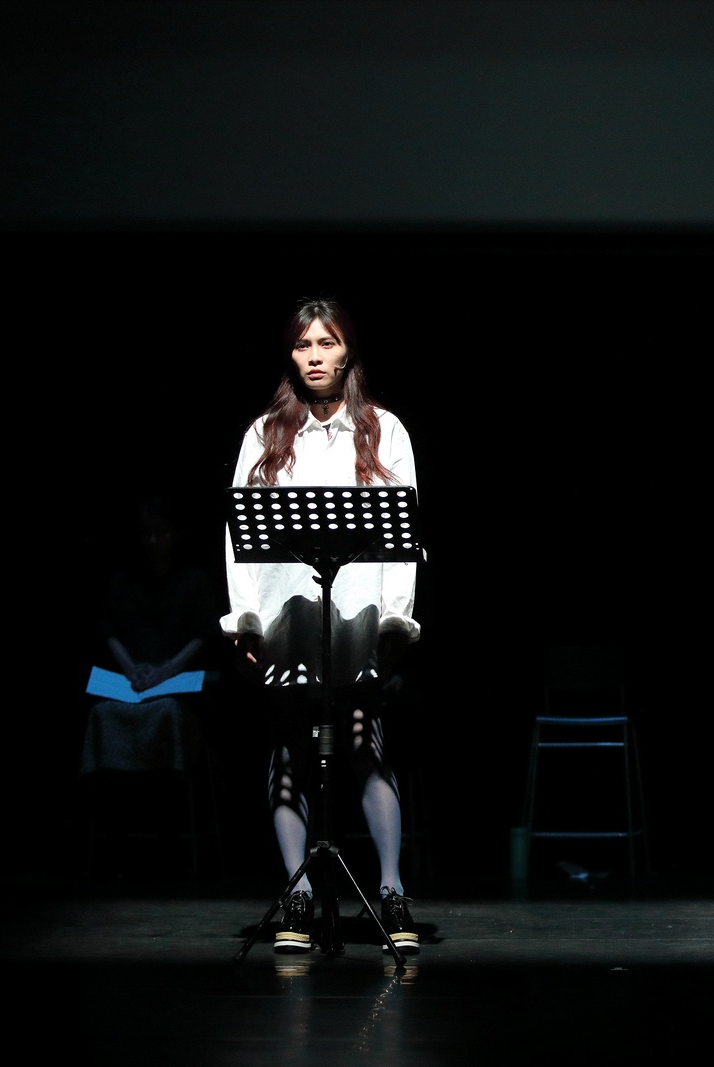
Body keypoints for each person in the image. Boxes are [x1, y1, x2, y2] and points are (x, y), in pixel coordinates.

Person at [224, 297, 422, 956]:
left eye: (326, 342)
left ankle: (391, 889)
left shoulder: (383, 430)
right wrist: (245, 620)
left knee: (366, 744)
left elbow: (403, 536)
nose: (314, 356)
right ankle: (298, 892)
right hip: (288, 615)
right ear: (291, 355)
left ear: (347, 351)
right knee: (288, 750)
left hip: (357, 614)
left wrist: (395, 619)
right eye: (303, 344)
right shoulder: (264, 434)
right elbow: (236, 534)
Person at [79, 496, 223, 868]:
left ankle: (168, 824)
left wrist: (167, 670)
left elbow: (204, 634)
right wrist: (131, 670)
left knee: (167, 713)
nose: (154, 541)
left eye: (162, 533)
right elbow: (110, 630)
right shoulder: (124, 580)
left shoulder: (193, 581)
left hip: (176, 685)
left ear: (177, 534)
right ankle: (115, 829)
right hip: (134, 681)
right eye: (147, 534)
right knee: (103, 714)